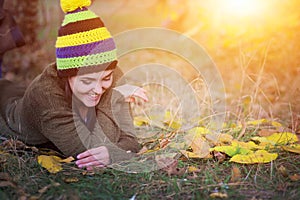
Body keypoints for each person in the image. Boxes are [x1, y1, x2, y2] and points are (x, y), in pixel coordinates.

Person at [0, 0, 148, 170]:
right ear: (66, 76)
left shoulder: (111, 73)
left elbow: (131, 139)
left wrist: (116, 152)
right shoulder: (45, 98)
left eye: (105, 78)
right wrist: (114, 97)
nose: (98, 89)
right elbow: (90, 148)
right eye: (86, 81)